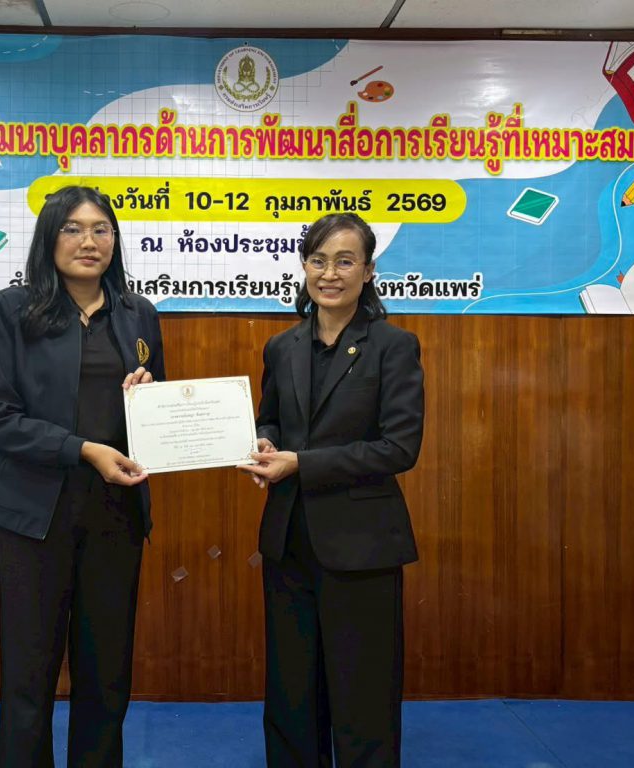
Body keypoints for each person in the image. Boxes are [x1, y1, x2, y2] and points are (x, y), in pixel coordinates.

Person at [0, 185, 164, 767]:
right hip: (34, 517)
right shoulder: (13, 309)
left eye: (101, 229)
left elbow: (153, 417)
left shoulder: (138, 313)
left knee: (107, 676)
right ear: (49, 238)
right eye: (73, 229)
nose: (89, 241)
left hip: (115, 516)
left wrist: (150, 401)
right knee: (28, 677)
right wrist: (82, 449)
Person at [240, 213, 424, 767]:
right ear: (304, 267)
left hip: (362, 545)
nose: (330, 274)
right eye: (318, 260)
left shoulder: (394, 346)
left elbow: (399, 448)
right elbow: (271, 419)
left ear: (368, 271)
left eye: (345, 261)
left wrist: (301, 463)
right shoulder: (282, 347)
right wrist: (265, 444)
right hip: (289, 540)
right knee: (292, 692)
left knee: (363, 693)